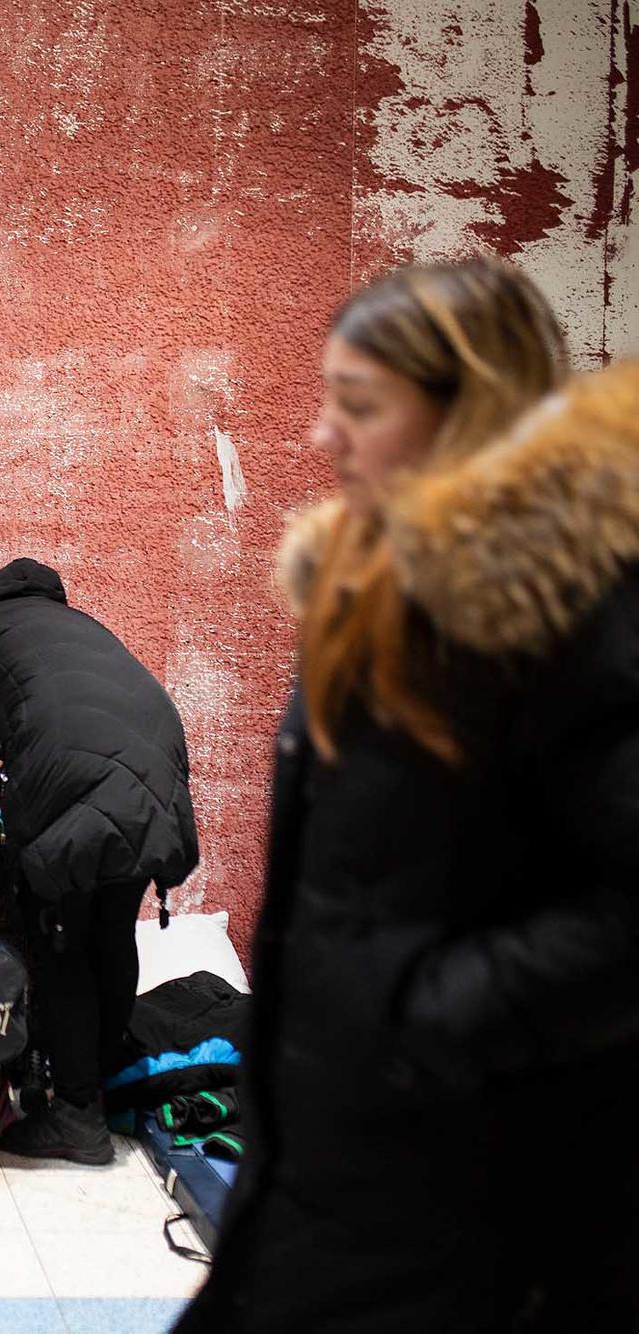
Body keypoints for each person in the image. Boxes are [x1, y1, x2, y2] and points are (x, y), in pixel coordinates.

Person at [177, 258, 639, 1331]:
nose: (321, 437)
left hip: (471, 1179)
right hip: (327, 1152)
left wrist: (427, 1014)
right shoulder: (372, 587)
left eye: (360, 407)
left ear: (463, 408)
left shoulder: (568, 612)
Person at [0, 557, 199, 1164]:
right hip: (157, 770)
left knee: (63, 943)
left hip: (74, 773)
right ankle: (95, 1089)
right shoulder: (69, 624)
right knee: (109, 933)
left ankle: (76, 1118)